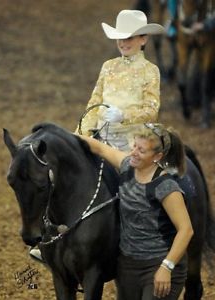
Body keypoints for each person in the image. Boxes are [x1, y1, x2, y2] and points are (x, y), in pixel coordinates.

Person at [77, 123, 194, 300]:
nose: (133, 152)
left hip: (159, 265)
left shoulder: (166, 187)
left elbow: (186, 230)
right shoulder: (127, 167)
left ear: (158, 156)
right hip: (128, 266)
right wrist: (61, 135)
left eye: (141, 150)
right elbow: (99, 148)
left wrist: (166, 267)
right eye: (134, 146)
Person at [77, 10, 165, 151]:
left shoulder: (150, 70)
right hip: (101, 137)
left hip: (132, 142)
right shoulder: (108, 66)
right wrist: (81, 134)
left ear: (143, 39)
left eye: (129, 38)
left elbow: (151, 111)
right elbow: (94, 103)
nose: (123, 43)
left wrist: (123, 116)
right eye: (120, 38)